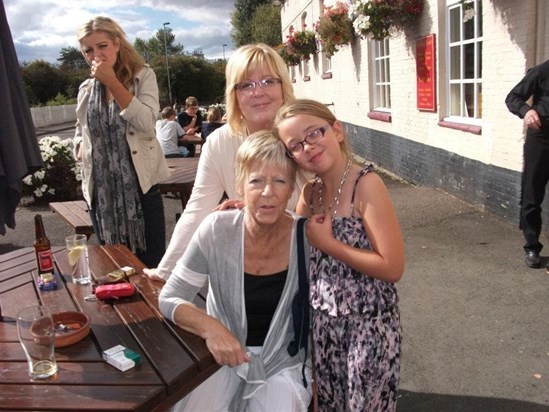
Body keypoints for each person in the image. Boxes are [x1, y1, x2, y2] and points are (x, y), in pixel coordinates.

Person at [159, 131, 312, 411]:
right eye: (256, 181)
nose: (267, 192)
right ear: (240, 186)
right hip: (223, 355)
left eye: (279, 180)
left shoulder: (308, 239)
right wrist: (212, 329)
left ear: (292, 188)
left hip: (282, 361)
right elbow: (170, 297)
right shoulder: (217, 230)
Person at [274, 99, 405, 411]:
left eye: (314, 133)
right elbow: (289, 244)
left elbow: (392, 266)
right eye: (295, 145)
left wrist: (330, 245)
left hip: (368, 328)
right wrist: (247, 210)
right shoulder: (310, 194)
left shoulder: (366, 184)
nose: (307, 147)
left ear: (337, 130)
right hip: (323, 326)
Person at [144, 43, 298, 281]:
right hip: (254, 268)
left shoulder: (304, 137)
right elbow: (197, 210)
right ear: (234, 94)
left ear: (283, 87)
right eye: (246, 85)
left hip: (308, 263)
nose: (258, 92)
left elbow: (330, 208)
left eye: (268, 81)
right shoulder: (219, 143)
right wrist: (165, 271)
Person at [74, 16, 170, 268]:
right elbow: (80, 127)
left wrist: (113, 83)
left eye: (102, 46)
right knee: (112, 266)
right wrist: (78, 145)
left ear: (117, 43)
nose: (96, 54)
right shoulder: (85, 89)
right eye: (88, 50)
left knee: (149, 267)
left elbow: (148, 124)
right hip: (101, 192)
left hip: (141, 188)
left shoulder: (143, 76)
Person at [505, 62, 549, 269]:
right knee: (532, 194)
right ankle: (532, 246)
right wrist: (527, 111)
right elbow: (512, 97)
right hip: (541, 139)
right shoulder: (542, 71)